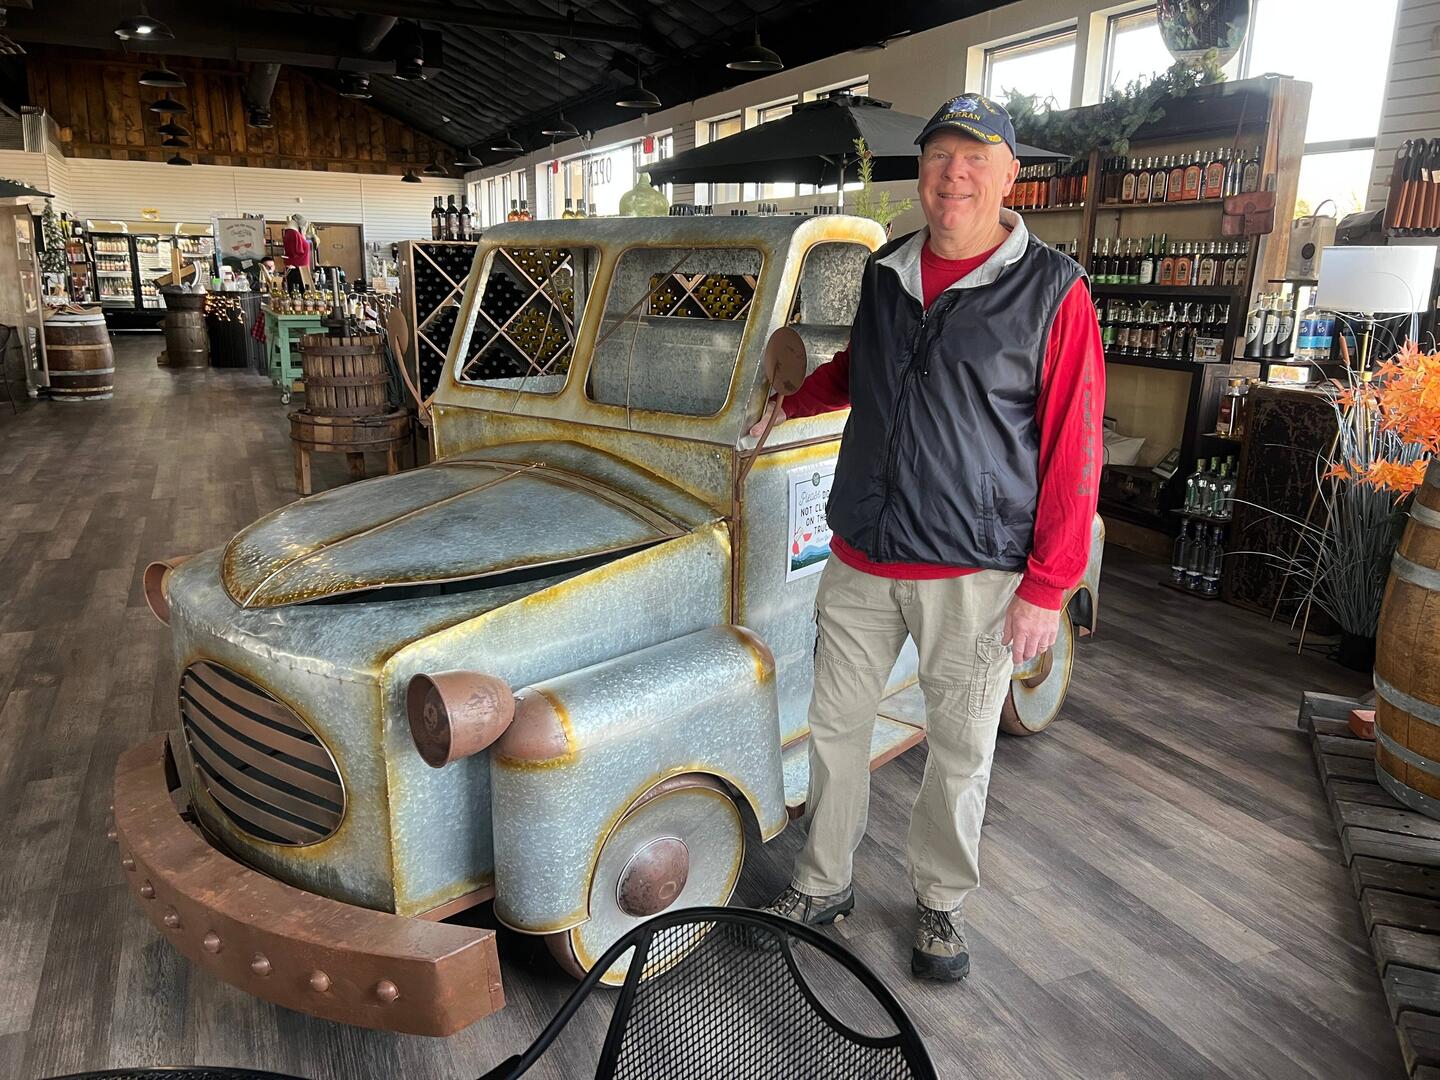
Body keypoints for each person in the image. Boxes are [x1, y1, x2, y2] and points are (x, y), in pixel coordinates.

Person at [756, 94, 1105, 983]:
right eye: (941, 156)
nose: (956, 175)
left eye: (976, 158)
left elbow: (1075, 445)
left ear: (1009, 175)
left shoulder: (1053, 290)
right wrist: (789, 400)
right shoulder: (886, 271)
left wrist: (1047, 587)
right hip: (863, 552)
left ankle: (941, 904)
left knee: (960, 749)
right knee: (833, 728)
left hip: (975, 571)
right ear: (922, 172)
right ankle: (825, 880)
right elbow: (859, 369)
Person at [282, 214, 312, 291]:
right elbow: (295, 252)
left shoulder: (293, 233)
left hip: (301, 271)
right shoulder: (293, 233)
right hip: (298, 272)